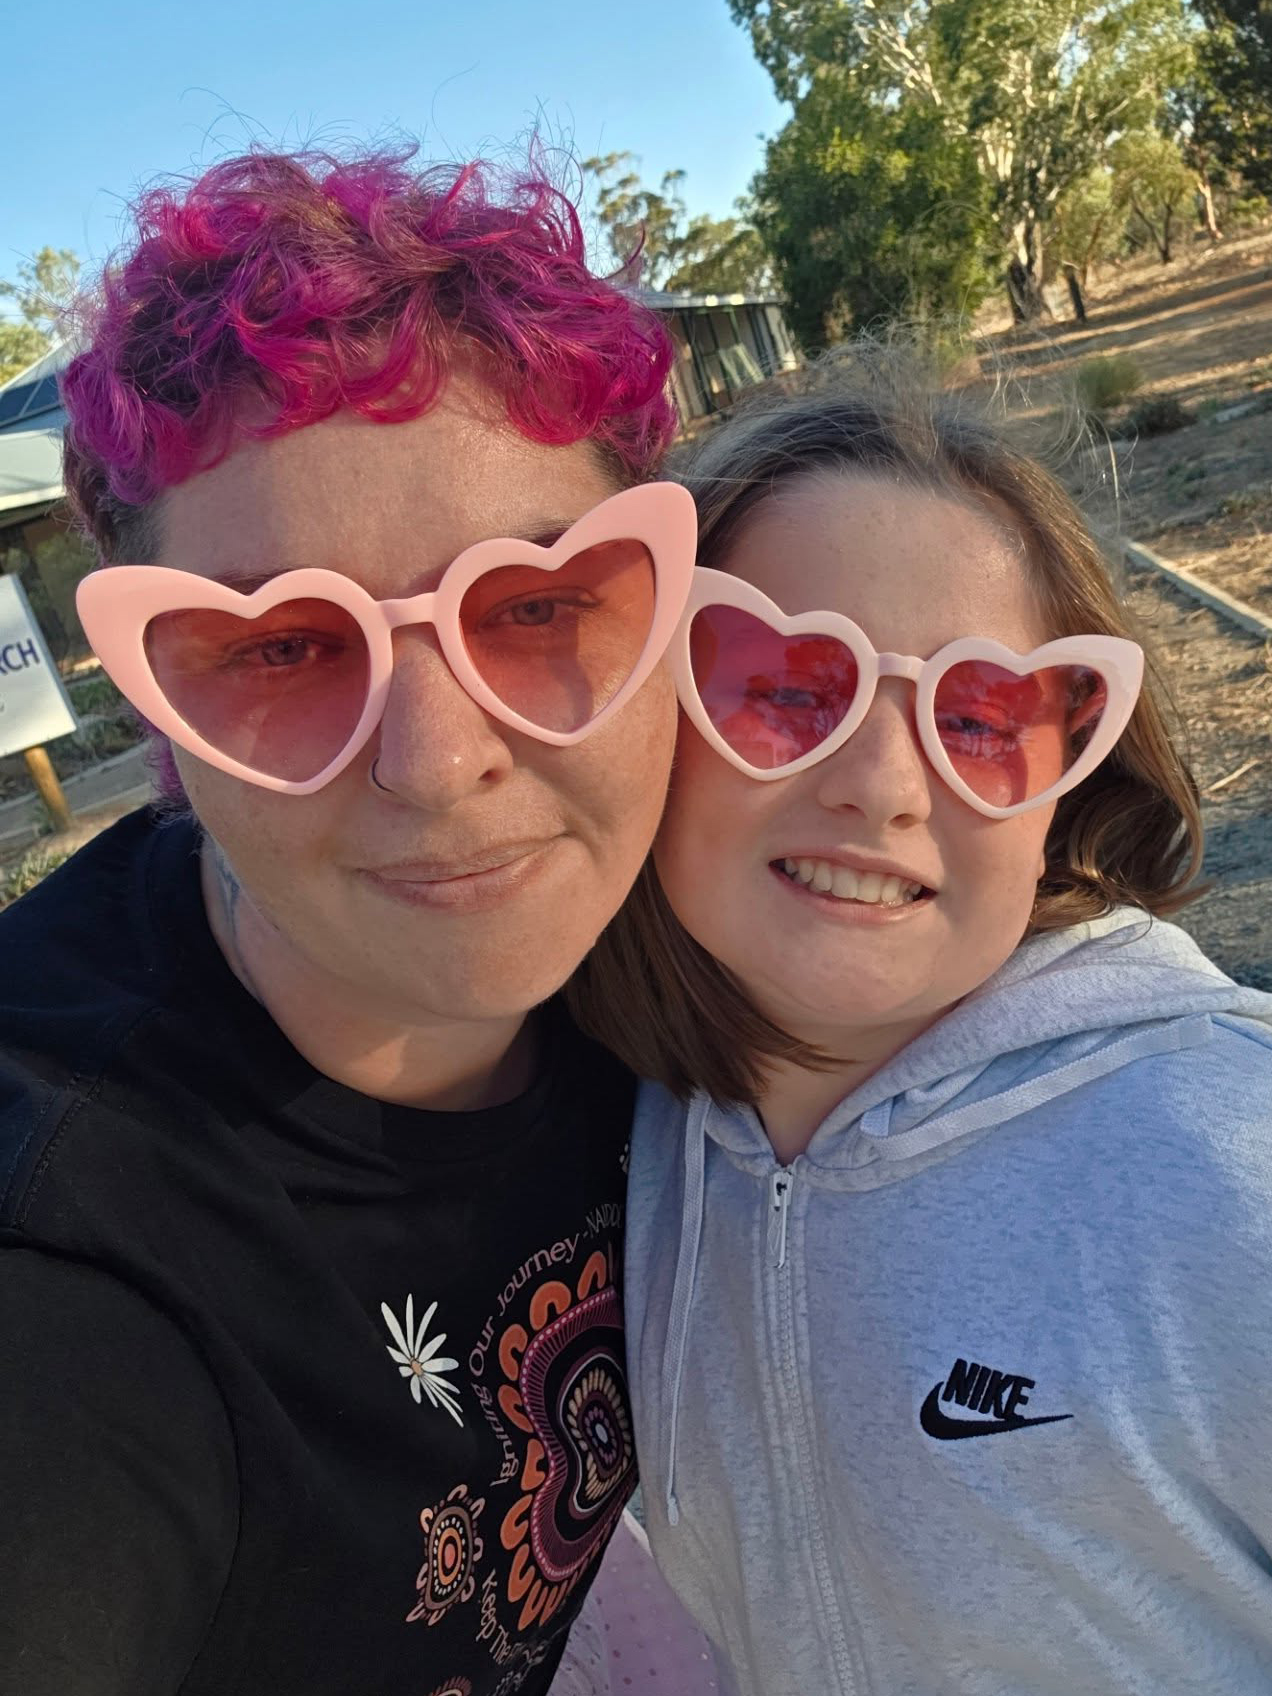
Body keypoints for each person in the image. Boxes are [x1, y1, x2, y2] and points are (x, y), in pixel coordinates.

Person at [0, 146, 701, 1696]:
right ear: (156, 705)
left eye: (534, 604)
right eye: (277, 647)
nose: (441, 764)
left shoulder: (697, 935)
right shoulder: (77, 1270)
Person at [571, 365, 1272, 1695]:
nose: (886, 787)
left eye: (980, 720)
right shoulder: (632, 1147)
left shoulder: (1225, 1161)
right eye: (779, 684)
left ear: (1063, 793)